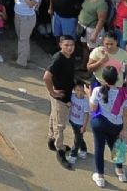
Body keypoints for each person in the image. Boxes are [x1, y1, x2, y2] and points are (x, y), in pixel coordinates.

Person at [88, 66, 127, 187]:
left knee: (99, 148)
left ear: (103, 78)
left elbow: (93, 108)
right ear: (117, 78)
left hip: (100, 124)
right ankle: (120, 172)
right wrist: (124, 129)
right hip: (116, 125)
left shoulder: (97, 90)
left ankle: (100, 177)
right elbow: (125, 114)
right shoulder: (125, 93)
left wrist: (88, 94)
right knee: (116, 147)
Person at [43, 36, 76, 170]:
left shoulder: (70, 58)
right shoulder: (58, 59)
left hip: (66, 94)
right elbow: (46, 77)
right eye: (66, 45)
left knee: (54, 117)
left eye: (72, 45)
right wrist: (52, 92)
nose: (69, 48)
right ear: (60, 45)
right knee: (60, 125)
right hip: (60, 97)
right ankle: (60, 149)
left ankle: (51, 140)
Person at [12, 0, 42, 68]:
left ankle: (21, 62)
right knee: (21, 37)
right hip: (18, 14)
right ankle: (25, 56)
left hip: (28, 17)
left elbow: (31, 4)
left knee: (23, 39)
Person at [67, 80, 90, 164]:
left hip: (80, 124)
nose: (80, 93)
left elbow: (87, 115)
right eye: (77, 90)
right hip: (72, 121)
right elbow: (68, 102)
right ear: (74, 90)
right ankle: (83, 149)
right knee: (79, 137)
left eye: (82, 91)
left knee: (77, 139)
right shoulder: (72, 96)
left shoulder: (85, 102)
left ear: (85, 91)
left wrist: (84, 126)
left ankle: (73, 155)